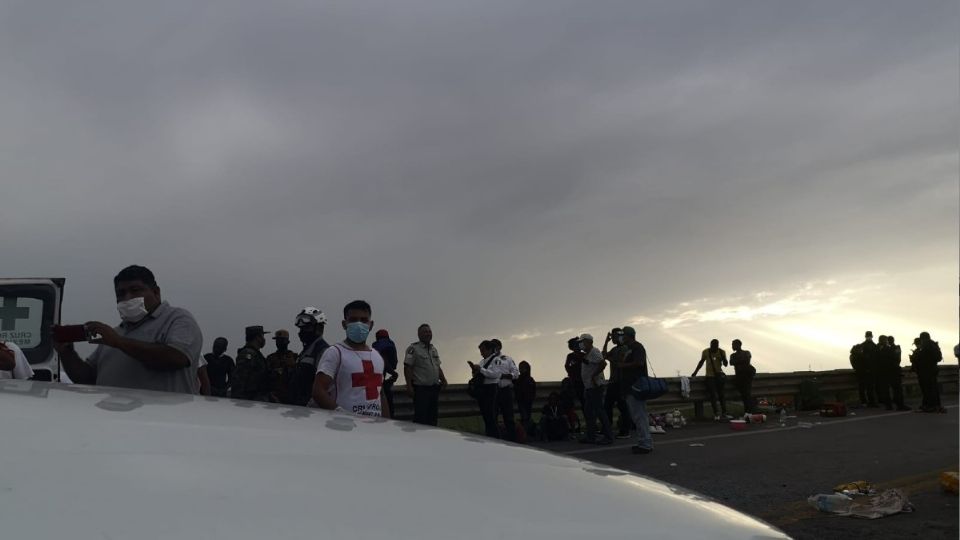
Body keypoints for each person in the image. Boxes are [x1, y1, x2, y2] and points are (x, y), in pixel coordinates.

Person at [54, 265, 203, 394]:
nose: (127, 297)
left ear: (156, 292)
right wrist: (67, 352)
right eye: (121, 293)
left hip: (161, 421)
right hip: (115, 421)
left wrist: (118, 342)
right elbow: (87, 379)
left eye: (135, 290)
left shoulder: (178, 319)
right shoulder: (115, 333)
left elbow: (177, 358)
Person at [312, 300, 388, 417]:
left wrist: (386, 424)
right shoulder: (335, 353)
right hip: (344, 428)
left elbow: (380, 393)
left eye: (364, 320)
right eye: (353, 320)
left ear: (371, 325)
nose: (359, 324)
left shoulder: (377, 356)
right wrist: (341, 414)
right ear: (344, 324)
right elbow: (318, 391)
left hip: (373, 427)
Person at [403, 324, 447, 425]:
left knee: (432, 419)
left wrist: (443, 379)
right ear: (419, 334)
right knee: (421, 419)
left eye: (429, 331)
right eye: (425, 332)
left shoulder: (433, 349)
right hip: (421, 390)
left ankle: (432, 440)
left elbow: (437, 366)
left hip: (434, 389)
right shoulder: (412, 349)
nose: (428, 334)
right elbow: (407, 367)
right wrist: (409, 386)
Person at [619, 326, 652, 454]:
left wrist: (624, 365)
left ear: (629, 335)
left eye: (623, 335)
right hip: (630, 387)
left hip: (636, 386)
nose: (621, 337)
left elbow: (639, 363)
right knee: (637, 415)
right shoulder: (628, 349)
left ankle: (645, 444)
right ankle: (644, 441)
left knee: (639, 415)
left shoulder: (637, 347)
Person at [288, 307, 329, 406]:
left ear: (319, 328)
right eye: (301, 328)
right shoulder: (306, 351)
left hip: (310, 412)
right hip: (297, 409)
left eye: (306, 328)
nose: (302, 332)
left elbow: (325, 387)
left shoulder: (323, 351)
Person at [578, 334, 613, 445]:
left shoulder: (594, 352)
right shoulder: (587, 354)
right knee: (589, 412)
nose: (581, 344)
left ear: (589, 341)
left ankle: (608, 436)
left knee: (599, 411)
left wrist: (594, 376)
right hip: (589, 387)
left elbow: (603, 363)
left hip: (595, 386)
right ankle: (591, 436)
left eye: (582, 341)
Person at [469, 340, 504, 439]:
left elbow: (495, 374)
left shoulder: (496, 360)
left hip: (491, 389)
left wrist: (481, 369)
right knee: (486, 416)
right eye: (480, 350)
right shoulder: (482, 361)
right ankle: (489, 436)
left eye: (483, 350)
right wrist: (475, 370)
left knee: (491, 416)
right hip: (483, 389)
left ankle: (496, 438)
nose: (481, 353)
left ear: (489, 350)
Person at [602, 328, 632, 439]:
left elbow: (619, 361)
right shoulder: (614, 349)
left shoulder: (624, 348)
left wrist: (610, 359)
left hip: (621, 382)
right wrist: (606, 342)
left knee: (622, 407)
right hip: (613, 381)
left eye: (615, 337)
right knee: (607, 406)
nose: (613, 339)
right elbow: (603, 355)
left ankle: (625, 430)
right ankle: (607, 428)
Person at [692, 339, 730, 420]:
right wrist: (695, 372)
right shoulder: (706, 352)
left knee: (721, 395)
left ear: (718, 345)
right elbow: (701, 362)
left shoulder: (722, 352)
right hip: (709, 376)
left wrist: (723, 357)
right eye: (712, 345)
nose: (713, 347)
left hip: (719, 376)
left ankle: (724, 413)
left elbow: (726, 364)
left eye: (715, 346)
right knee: (713, 395)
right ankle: (716, 413)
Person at [231, 326, 272, 401]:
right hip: (250, 401)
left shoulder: (256, 354)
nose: (264, 339)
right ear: (257, 337)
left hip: (257, 400)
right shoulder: (248, 354)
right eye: (262, 336)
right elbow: (239, 379)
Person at [911, 332, 944, 413]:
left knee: (927, 389)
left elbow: (921, 358)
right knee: (933, 388)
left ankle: (929, 406)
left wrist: (914, 357)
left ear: (922, 338)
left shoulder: (925, 345)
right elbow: (938, 358)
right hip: (933, 369)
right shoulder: (934, 344)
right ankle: (936, 405)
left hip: (926, 370)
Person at [265, 329, 298, 404]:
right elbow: (265, 377)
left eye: (282, 340)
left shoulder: (295, 357)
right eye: (277, 340)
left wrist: (294, 365)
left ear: (288, 341)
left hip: (291, 397)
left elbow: (300, 375)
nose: (279, 342)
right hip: (274, 397)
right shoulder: (270, 358)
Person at [372, 329, 399, 417]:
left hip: (376, 381)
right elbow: (384, 361)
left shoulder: (376, 346)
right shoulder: (390, 344)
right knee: (388, 406)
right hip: (381, 381)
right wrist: (393, 373)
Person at [850, 331, 878, 407]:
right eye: (868, 336)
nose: (869, 337)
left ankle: (868, 402)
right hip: (865, 371)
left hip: (867, 371)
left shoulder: (871, 346)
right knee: (866, 387)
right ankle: (867, 402)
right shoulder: (865, 346)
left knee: (867, 387)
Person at [881, 336, 909, 411]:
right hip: (894, 371)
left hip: (885, 372)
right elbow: (897, 359)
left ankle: (889, 405)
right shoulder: (895, 348)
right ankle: (900, 405)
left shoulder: (882, 349)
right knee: (897, 389)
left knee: (886, 389)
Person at [729, 339, 756, 413]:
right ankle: (748, 412)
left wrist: (738, 362)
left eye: (733, 344)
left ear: (739, 345)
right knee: (745, 395)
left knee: (746, 395)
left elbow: (747, 360)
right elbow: (731, 362)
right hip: (739, 377)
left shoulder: (746, 352)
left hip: (746, 376)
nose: (732, 346)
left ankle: (748, 412)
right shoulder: (733, 355)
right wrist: (741, 361)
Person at [515, 360, 537, 434]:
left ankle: (526, 433)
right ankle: (526, 433)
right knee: (525, 417)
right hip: (522, 400)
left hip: (527, 401)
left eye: (522, 368)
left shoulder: (528, 379)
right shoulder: (522, 379)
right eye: (520, 368)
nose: (521, 370)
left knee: (526, 417)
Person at [564, 337, 585, 408]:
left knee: (584, 402)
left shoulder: (584, 355)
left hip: (583, 381)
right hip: (575, 381)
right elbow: (567, 367)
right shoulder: (570, 356)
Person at [875, 336, 892, 409]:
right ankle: (888, 404)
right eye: (886, 340)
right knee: (885, 388)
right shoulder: (886, 348)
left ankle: (887, 403)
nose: (887, 341)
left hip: (880, 371)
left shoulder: (876, 348)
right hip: (885, 371)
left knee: (884, 388)